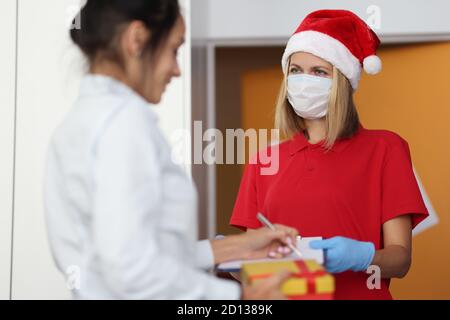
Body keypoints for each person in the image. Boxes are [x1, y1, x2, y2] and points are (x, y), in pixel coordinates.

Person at [44, 0, 299, 300]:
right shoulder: (124, 124)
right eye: (174, 50)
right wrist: (240, 299)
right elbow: (132, 270)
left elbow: (131, 252)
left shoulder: (77, 124)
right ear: (136, 40)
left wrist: (234, 247)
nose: (177, 70)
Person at [230, 9, 429, 300]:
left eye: (319, 72)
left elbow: (400, 261)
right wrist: (230, 259)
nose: (302, 80)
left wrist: (361, 257)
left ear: (342, 82)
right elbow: (255, 268)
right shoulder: (262, 161)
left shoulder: (386, 149)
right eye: (295, 70)